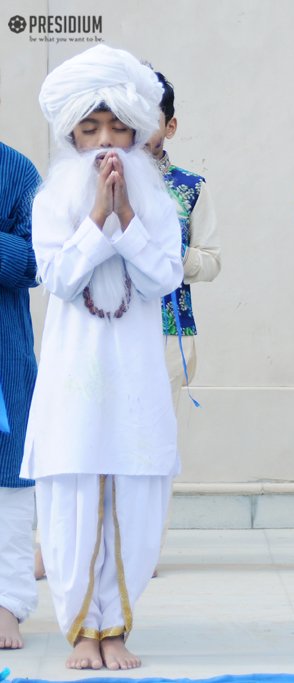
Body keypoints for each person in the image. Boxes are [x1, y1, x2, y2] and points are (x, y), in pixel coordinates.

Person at [23, 44, 183, 670]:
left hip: (136, 377)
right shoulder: (51, 199)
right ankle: (81, 631)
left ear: (140, 131)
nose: (105, 142)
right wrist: (95, 220)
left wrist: (128, 222)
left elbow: (162, 279)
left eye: (118, 126)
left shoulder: (160, 203)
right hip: (75, 377)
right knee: (73, 493)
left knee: (133, 494)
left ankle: (115, 626)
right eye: (90, 129)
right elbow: (58, 280)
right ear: (71, 133)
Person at [145, 71, 222, 414]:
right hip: (109, 323)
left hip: (166, 328)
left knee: (155, 440)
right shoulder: (98, 180)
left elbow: (211, 261)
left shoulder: (190, 187)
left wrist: (172, 252)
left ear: (169, 126)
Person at [0, 141, 41, 650]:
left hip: (3, 355)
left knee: (9, 485)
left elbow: (39, 258)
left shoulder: (15, 169)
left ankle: (7, 602)